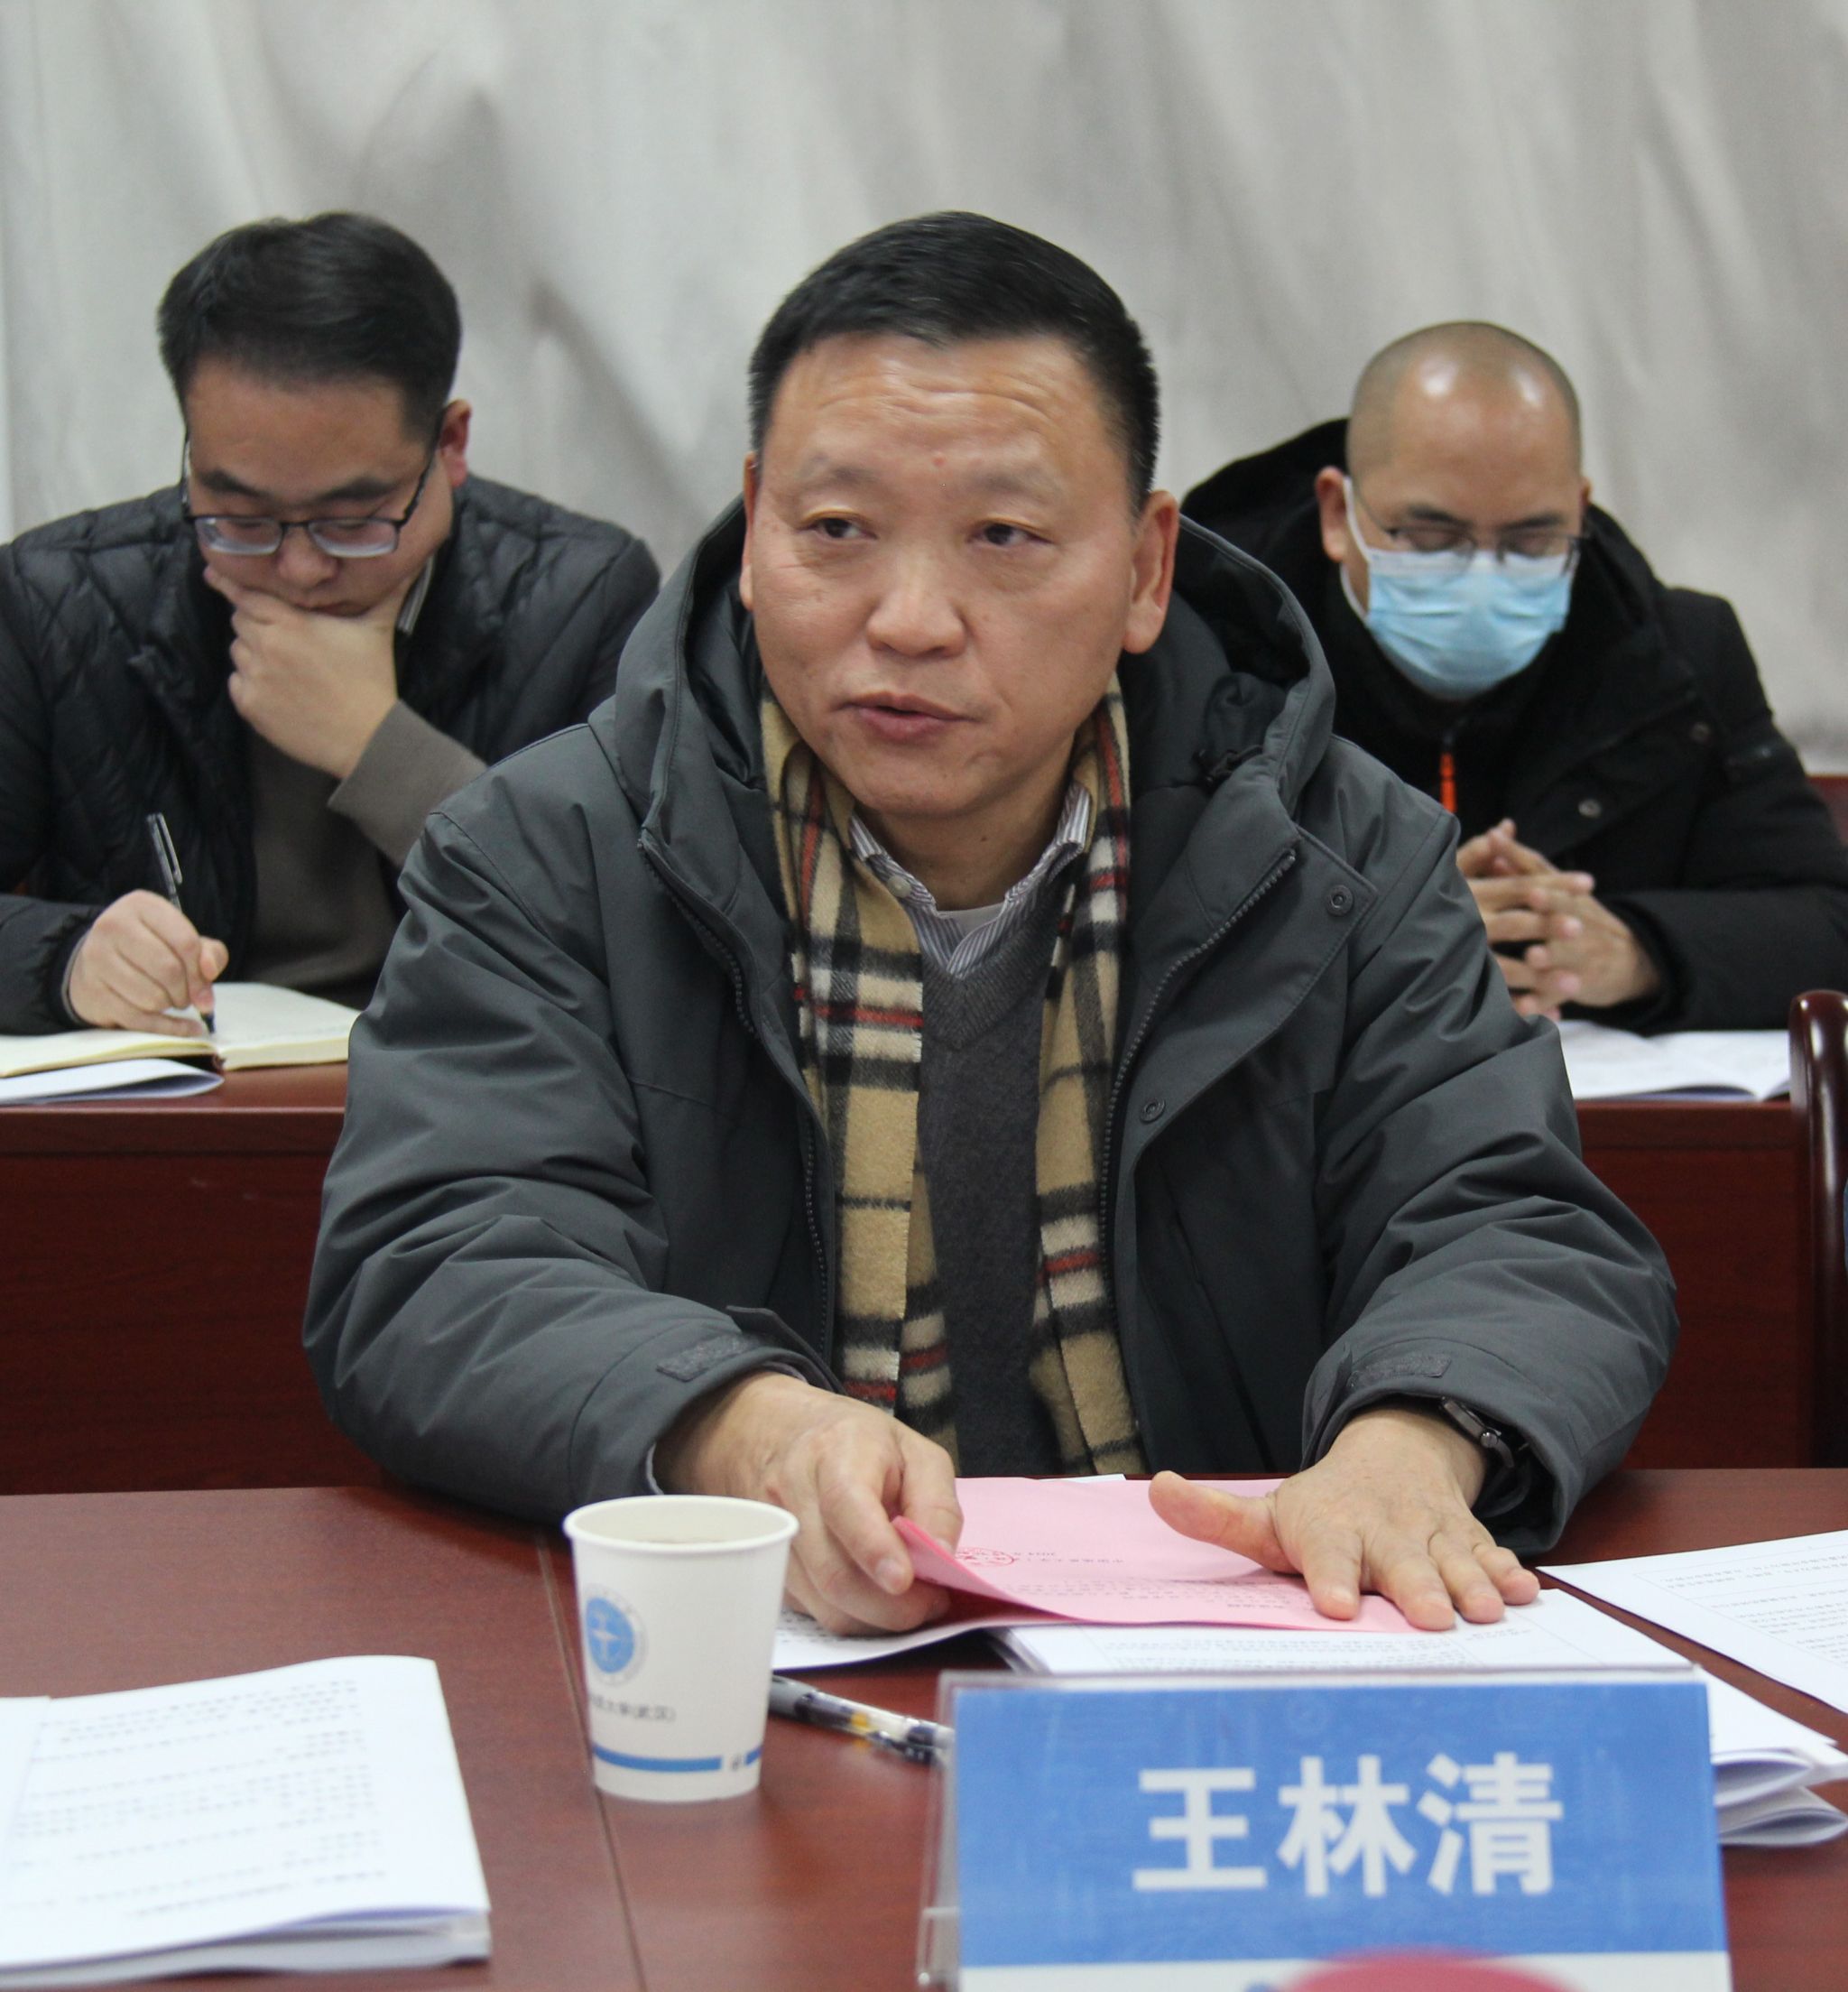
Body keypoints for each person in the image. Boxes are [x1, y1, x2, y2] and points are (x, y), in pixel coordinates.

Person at [306, 215, 1674, 1637]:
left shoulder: (1346, 852)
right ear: (756, 528)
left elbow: (1513, 1225)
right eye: (837, 530)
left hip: (1227, 1646)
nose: (911, 619)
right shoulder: (549, 849)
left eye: (1004, 537)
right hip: (763, 1647)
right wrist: (737, 1425)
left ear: (1146, 569)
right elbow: (440, 1256)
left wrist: (1414, 1439)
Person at [0, 211, 658, 1033]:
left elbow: (633, 937)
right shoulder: (62, 600)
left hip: (475, 1088)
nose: (301, 568)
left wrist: (379, 749)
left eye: (353, 521)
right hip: (186, 1094)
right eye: (242, 518)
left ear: (450, 446)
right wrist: (67, 961)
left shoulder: (582, 598)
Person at [1183, 322, 1848, 1032]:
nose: (1482, 578)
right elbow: (1147, 939)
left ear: (1580, 511)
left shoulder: (1678, 660)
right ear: (1337, 515)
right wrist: (1386, 934)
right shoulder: (1211, 653)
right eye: (1431, 536)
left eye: (1532, 540)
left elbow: (1826, 924)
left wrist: (1632, 951)